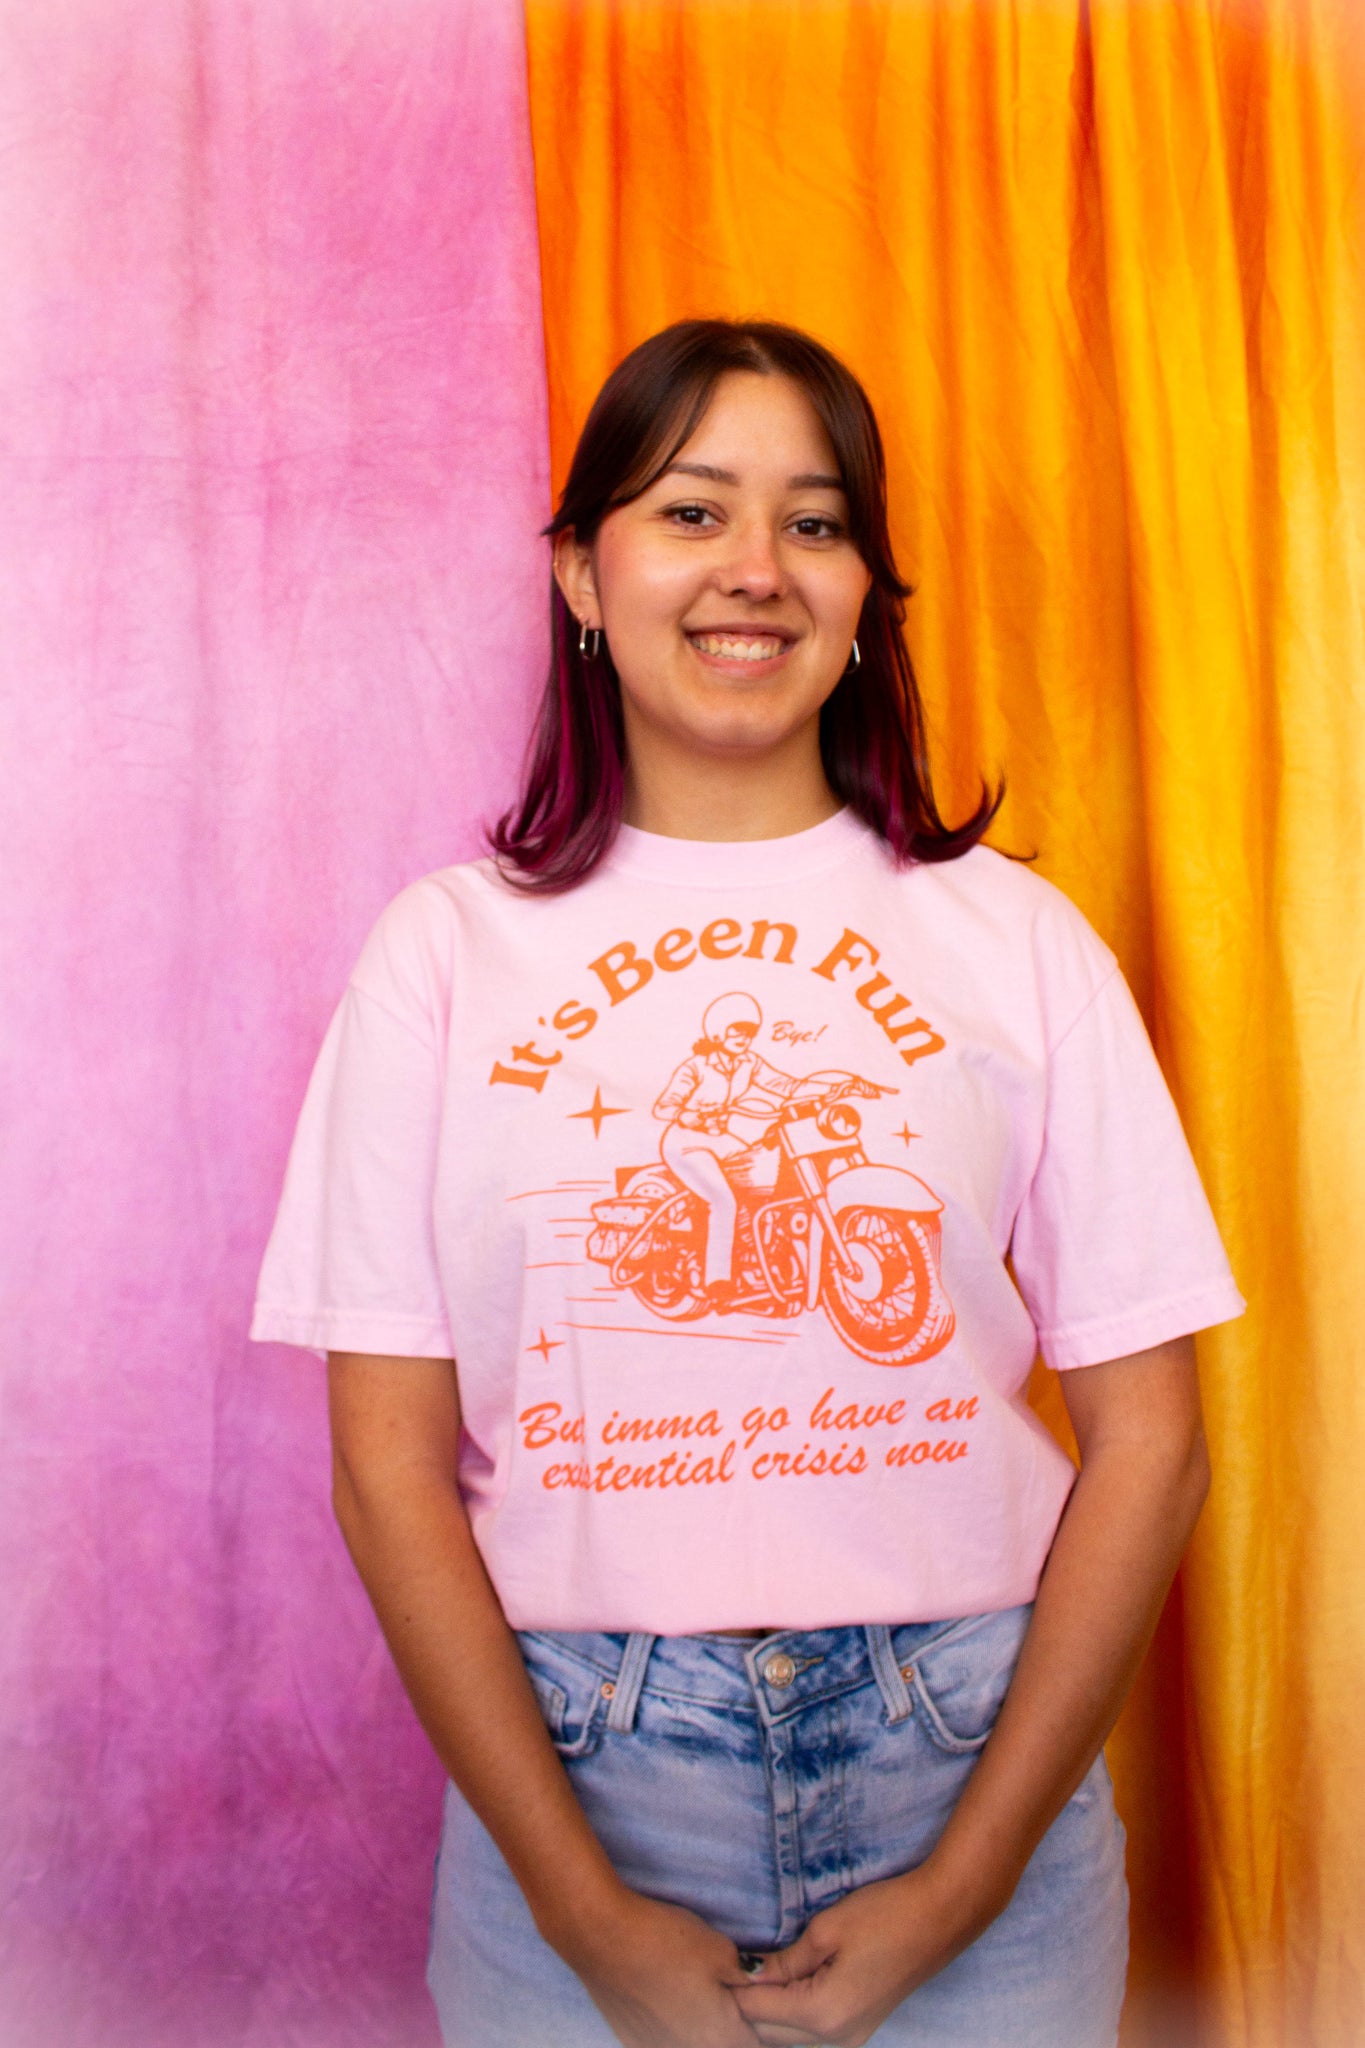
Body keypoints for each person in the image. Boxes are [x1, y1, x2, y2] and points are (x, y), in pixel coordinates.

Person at [252, 318, 1244, 2047]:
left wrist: (968, 1882)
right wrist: (583, 1911)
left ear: (866, 589)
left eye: (815, 519)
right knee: (715, 1195)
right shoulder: (444, 954)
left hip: (970, 1759)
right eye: (694, 510)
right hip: (580, 1775)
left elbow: (1152, 1443)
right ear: (585, 572)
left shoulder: (1017, 939)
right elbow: (383, 1464)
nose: (757, 568)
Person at [652, 991, 879, 1301]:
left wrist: (840, 1087)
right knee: (723, 1199)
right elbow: (663, 1106)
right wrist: (686, 1115)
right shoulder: (696, 1067)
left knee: (770, 1182)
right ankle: (718, 1281)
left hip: (724, 1141)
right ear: (718, 1032)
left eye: (749, 1032)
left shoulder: (750, 1063)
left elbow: (788, 1085)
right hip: (686, 1142)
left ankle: (760, 1253)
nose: (743, 1038)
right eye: (736, 1030)